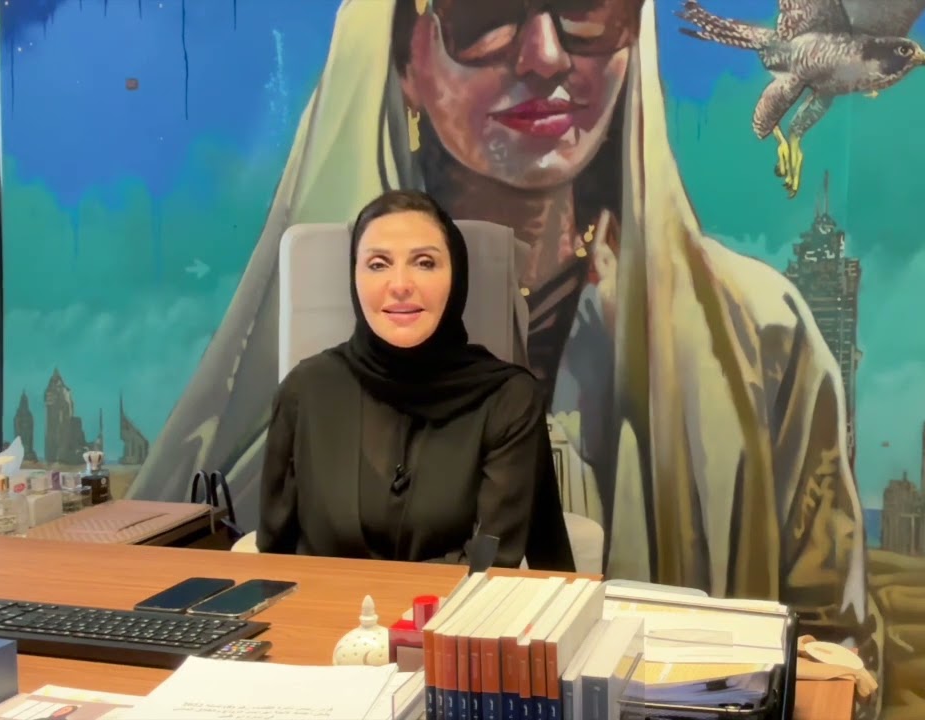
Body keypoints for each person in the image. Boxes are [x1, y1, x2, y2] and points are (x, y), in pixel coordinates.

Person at [130, 3, 881, 714]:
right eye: (484, 10)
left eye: (588, 8)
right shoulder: (306, 392)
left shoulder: (764, 340)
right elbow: (283, 569)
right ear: (401, 56)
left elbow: (829, 650)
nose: (546, 54)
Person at [256, 190, 574, 571]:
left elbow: (489, 564)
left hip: (452, 623)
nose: (400, 284)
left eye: (424, 263)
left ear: (456, 276)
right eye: (378, 264)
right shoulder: (303, 392)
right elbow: (276, 559)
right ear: (354, 278)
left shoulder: (507, 400)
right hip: (328, 625)